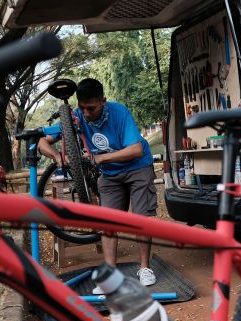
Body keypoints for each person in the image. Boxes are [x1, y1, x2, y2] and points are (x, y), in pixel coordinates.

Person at [38, 78, 158, 293]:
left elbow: (136, 150)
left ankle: (145, 268)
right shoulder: (74, 117)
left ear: (103, 101)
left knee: (141, 219)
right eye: (82, 108)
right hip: (110, 175)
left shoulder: (119, 112)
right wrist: (57, 156)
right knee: (108, 222)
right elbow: (42, 142)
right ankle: (110, 273)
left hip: (137, 167)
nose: (86, 113)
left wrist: (102, 158)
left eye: (91, 108)